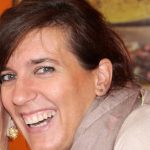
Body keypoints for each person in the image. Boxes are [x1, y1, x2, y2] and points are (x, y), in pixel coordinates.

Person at [0, 0, 149, 150]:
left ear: (101, 78)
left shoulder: (140, 135)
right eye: (8, 77)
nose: (19, 97)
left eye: (44, 69)